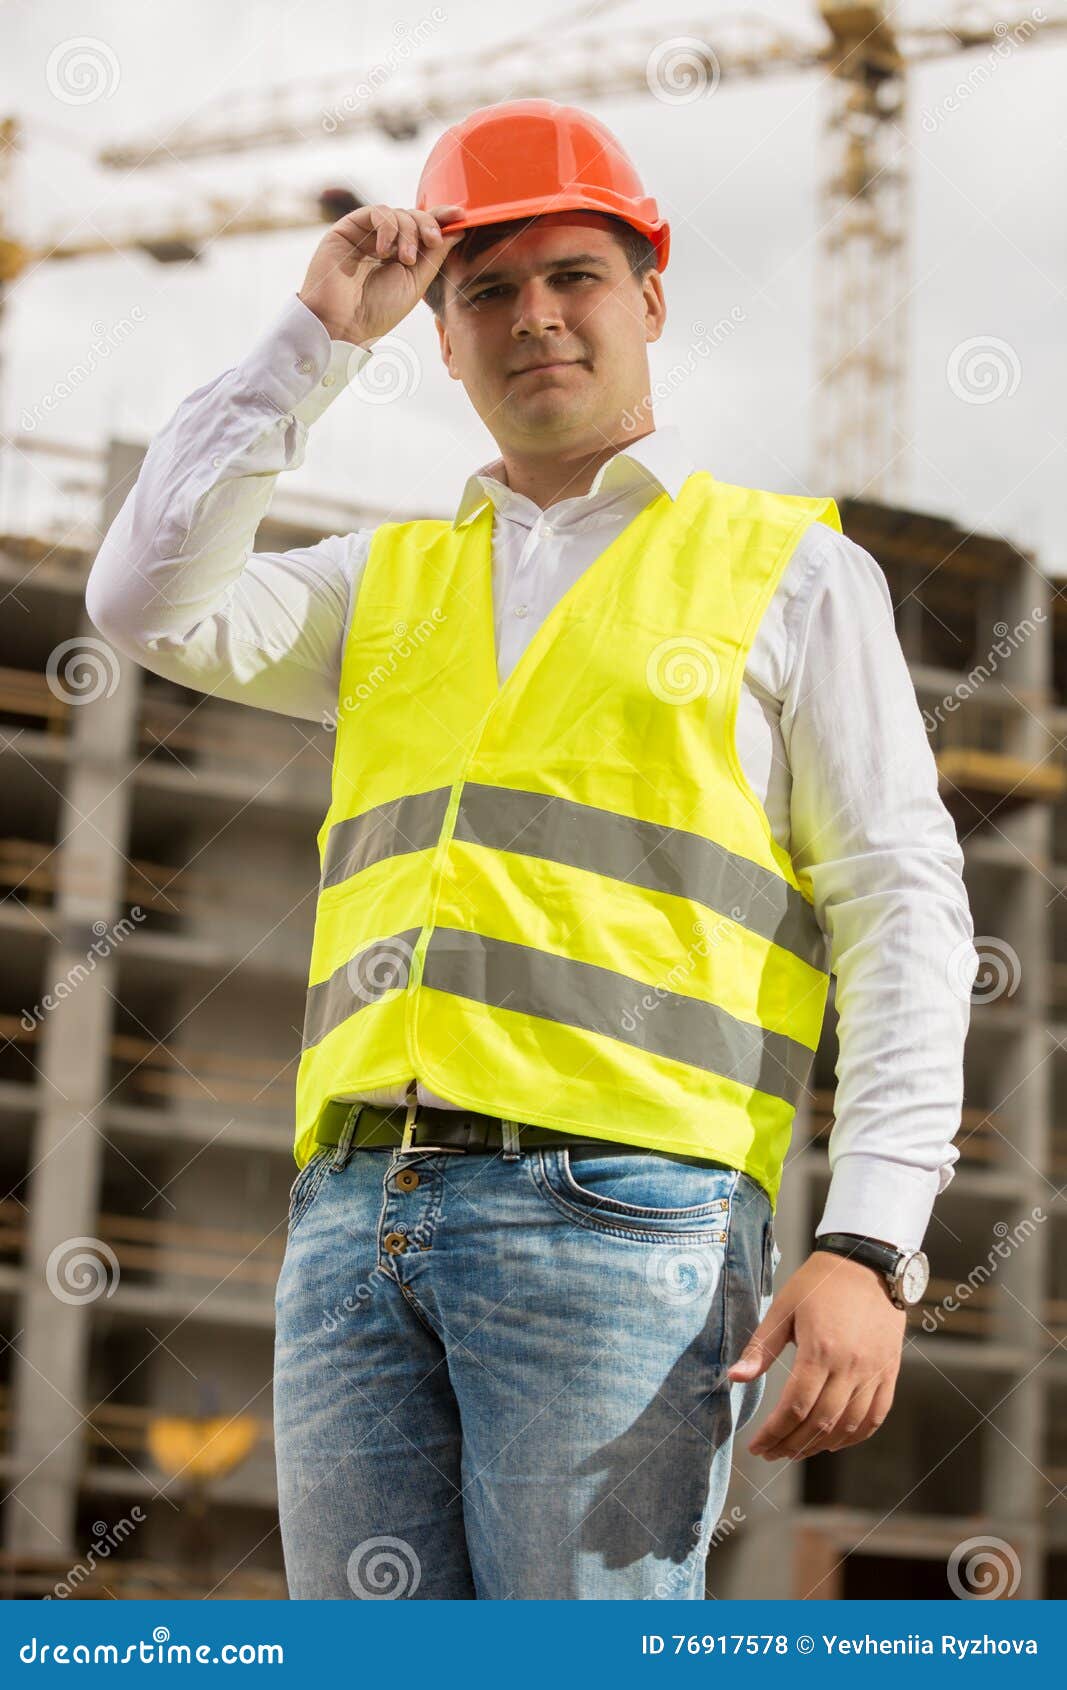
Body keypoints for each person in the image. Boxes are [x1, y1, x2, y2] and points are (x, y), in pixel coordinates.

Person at [85, 99, 976, 1600]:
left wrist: (875, 1238)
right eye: (485, 290)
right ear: (439, 338)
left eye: (574, 274)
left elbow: (903, 904)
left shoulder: (795, 572)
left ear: (651, 298)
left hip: (625, 1223)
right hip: (356, 1215)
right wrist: (314, 336)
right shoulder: (388, 581)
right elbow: (145, 600)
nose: (534, 317)